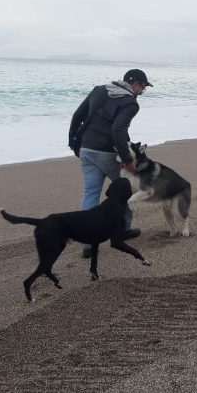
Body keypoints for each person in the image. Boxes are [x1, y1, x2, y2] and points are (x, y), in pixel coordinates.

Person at [69, 68, 152, 258]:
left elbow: (78, 116)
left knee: (91, 193)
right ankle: (124, 230)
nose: (142, 92)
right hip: (108, 153)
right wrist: (127, 159)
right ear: (136, 84)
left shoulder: (99, 90)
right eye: (143, 88)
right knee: (126, 191)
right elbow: (117, 131)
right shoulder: (130, 103)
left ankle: (88, 243)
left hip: (86, 150)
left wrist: (74, 143)